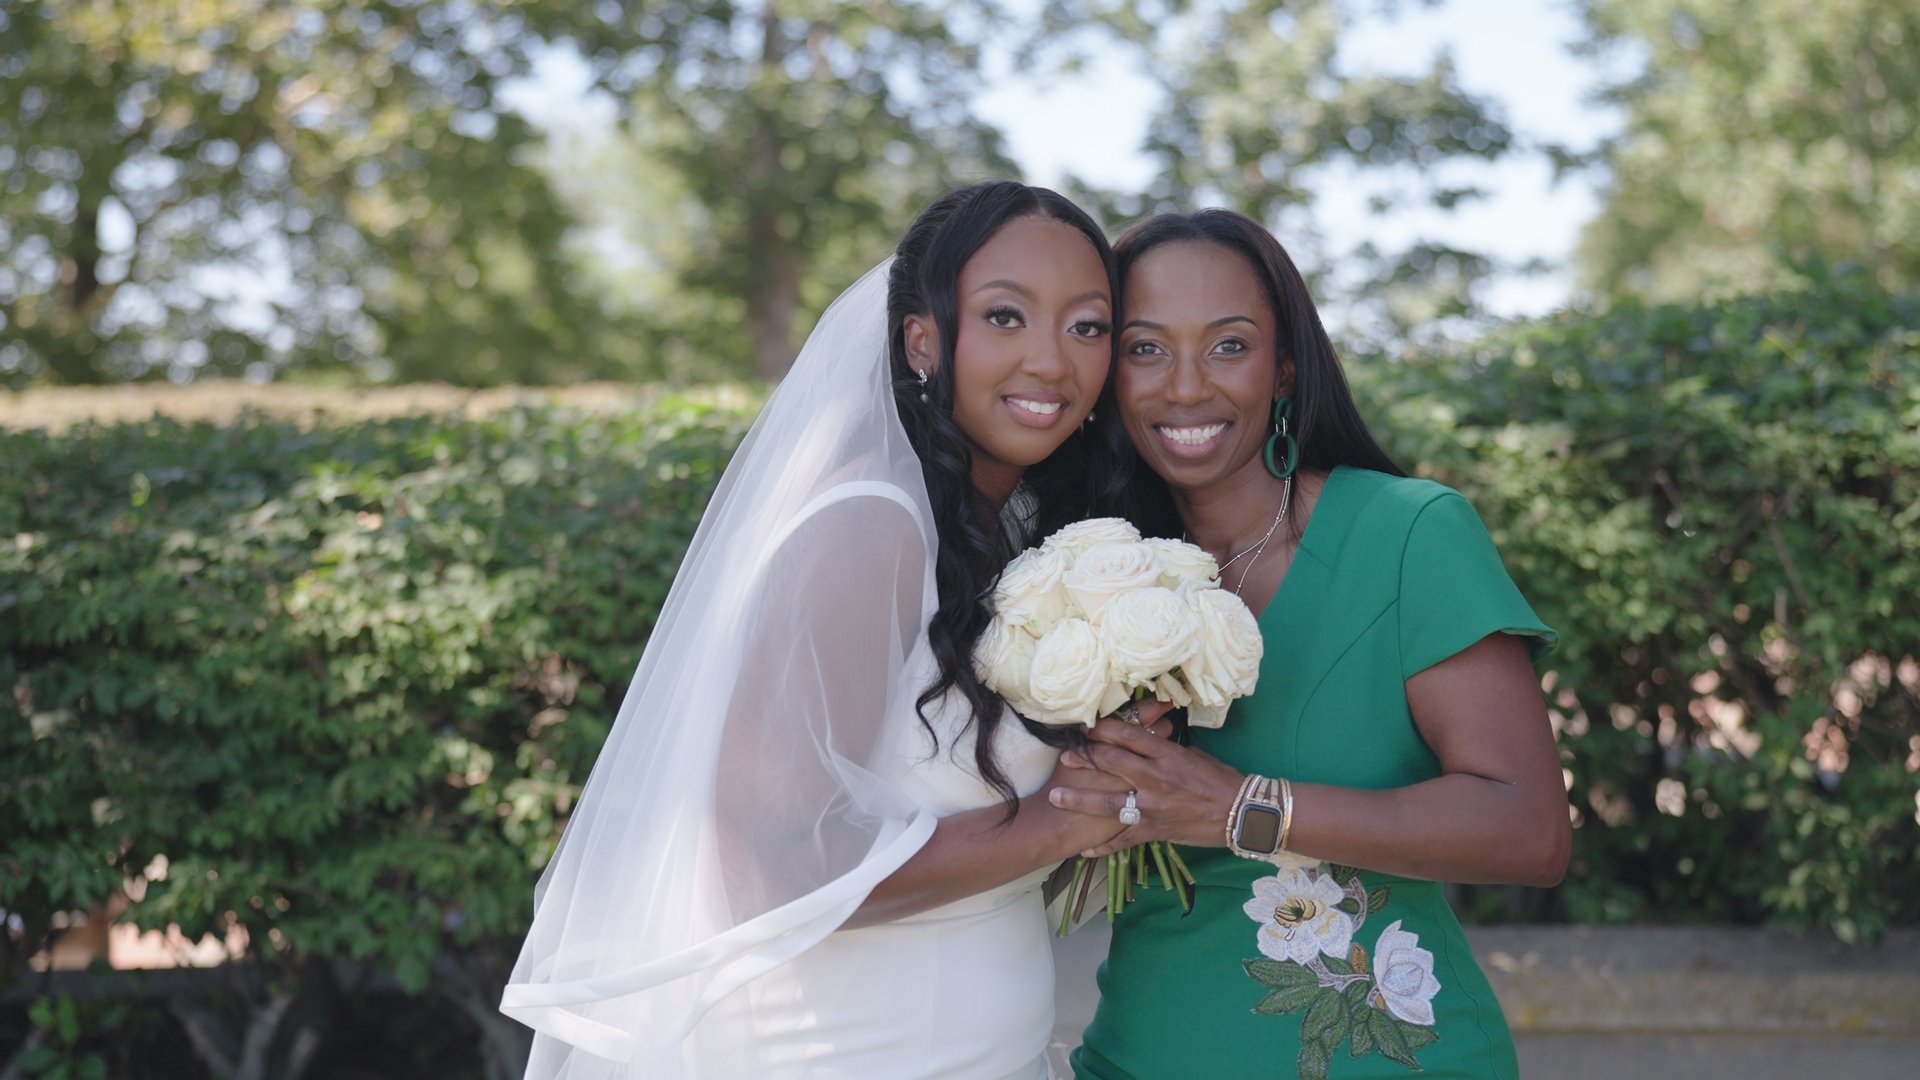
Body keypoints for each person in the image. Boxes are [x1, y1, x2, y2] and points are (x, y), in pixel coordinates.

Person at [499, 180, 1162, 1079]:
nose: (1052, 360)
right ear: (922, 339)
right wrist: (1066, 820)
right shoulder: (870, 524)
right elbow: (778, 860)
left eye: (1087, 327)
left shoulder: (1012, 533)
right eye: (1006, 317)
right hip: (843, 1048)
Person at [1054, 210, 1570, 1079]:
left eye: (1228, 345)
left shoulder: (1407, 536)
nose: (1185, 386)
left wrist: (1242, 807)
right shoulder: (1076, 573)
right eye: (1146, 349)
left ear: (1285, 363)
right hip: (1137, 1057)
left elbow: (1529, 831)